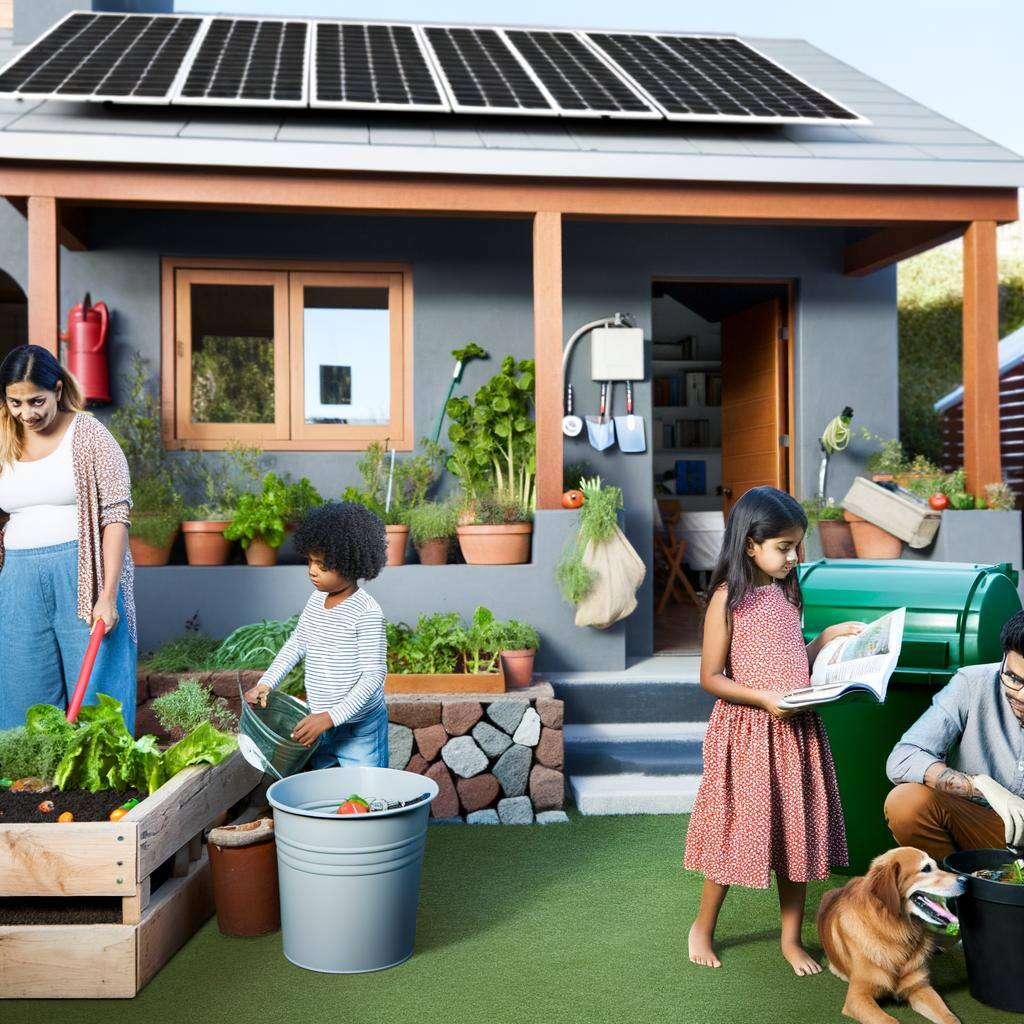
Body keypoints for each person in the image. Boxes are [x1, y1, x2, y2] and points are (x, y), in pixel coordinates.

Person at [684, 486, 861, 974]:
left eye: (797, 546)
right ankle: (703, 926)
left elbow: (790, 665)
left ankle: (790, 939)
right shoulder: (727, 598)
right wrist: (764, 699)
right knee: (734, 830)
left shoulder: (786, 592)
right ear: (749, 545)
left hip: (796, 734)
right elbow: (710, 677)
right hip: (749, 735)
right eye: (784, 547)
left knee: (795, 834)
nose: (793, 556)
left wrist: (823, 641)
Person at [0, 344, 136, 730]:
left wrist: (107, 596)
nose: (28, 413)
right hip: (17, 582)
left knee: (97, 693)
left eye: (37, 401)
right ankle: (28, 786)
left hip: (82, 574)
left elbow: (115, 516)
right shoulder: (1, 437)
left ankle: (102, 787)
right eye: (15, 403)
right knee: (23, 690)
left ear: (58, 390)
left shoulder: (88, 433)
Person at [244, 501, 389, 768]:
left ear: (351, 564)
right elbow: (297, 642)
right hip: (318, 723)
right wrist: (267, 683)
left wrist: (330, 717)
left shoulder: (367, 613)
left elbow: (373, 677)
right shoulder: (316, 599)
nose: (312, 571)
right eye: (310, 561)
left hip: (358, 729)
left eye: (322, 565)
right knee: (323, 795)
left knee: (367, 798)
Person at [884, 609, 1024, 862]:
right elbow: (903, 758)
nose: (1021, 696)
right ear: (1003, 658)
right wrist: (980, 785)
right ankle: (958, 891)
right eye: (1013, 678)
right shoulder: (972, 683)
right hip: (982, 828)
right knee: (906, 802)